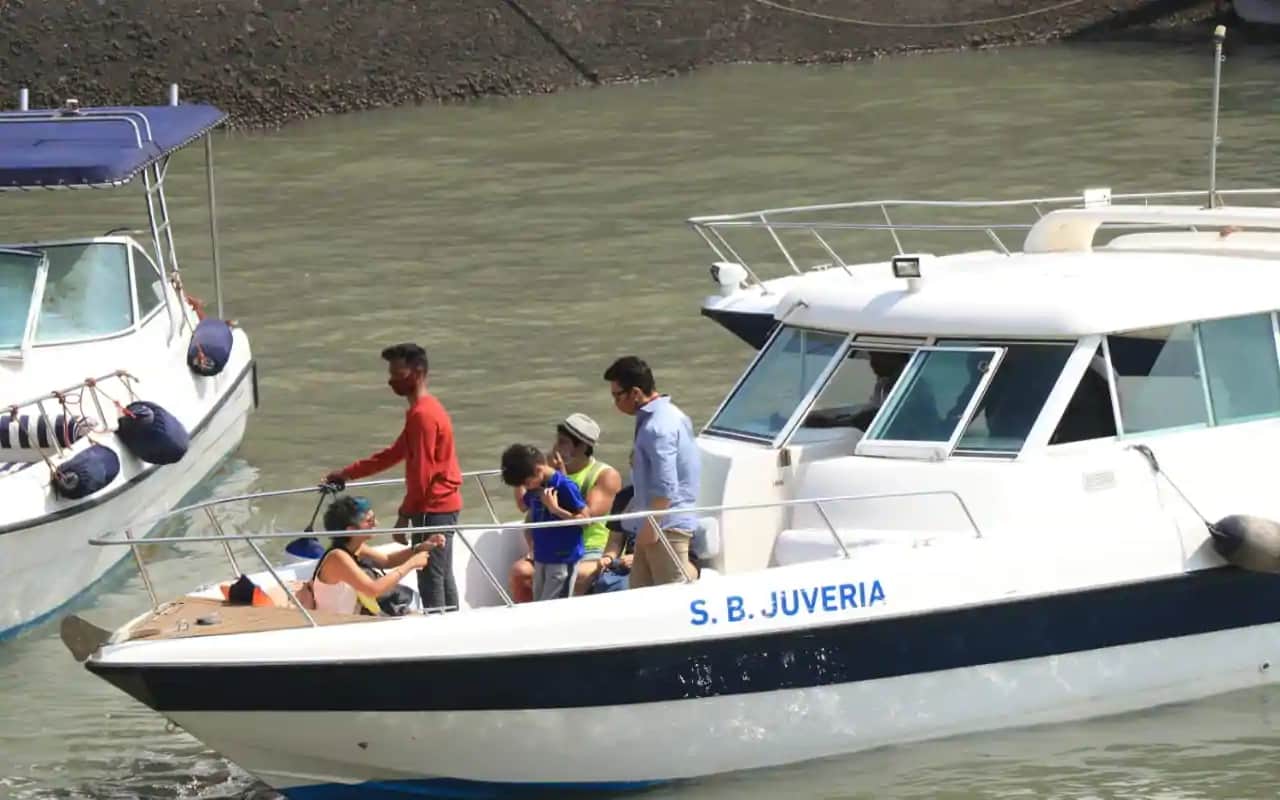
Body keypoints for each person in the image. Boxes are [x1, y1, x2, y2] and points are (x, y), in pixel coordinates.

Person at [324, 343, 463, 613]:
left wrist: (404, 516)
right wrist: (346, 473)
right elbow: (391, 455)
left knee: (430, 573)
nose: (391, 381)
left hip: (432, 505)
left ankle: (441, 632)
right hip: (442, 504)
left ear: (418, 372)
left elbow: (423, 474)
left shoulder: (423, 415)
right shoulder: (422, 411)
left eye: (398, 373)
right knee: (441, 572)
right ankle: (451, 620)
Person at [603, 356, 700, 587]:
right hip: (653, 524)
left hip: (664, 527)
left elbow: (666, 485)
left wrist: (651, 526)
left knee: (669, 600)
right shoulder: (667, 416)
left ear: (635, 393)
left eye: (617, 395)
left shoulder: (657, 427)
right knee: (640, 597)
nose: (615, 403)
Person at [508, 414, 622, 601]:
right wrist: (523, 473)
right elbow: (523, 505)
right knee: (520, 572)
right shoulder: (545, 474)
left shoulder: (604, 475)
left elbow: (588, 515)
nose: (555, 447)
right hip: (549, 545)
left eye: (562, 443)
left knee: (578, 576)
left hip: (588, 548)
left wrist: (560, 475)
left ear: (582, 447)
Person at [310, 495, 444, 615]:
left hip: (352, 618)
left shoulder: (354, 547)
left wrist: (420, 547)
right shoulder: (338, 558)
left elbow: (387, 561)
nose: (376, 524)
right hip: (336, 626)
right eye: (370, 521)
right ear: (351, 530)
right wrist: (411, 564)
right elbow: (373, 590)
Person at [500, 443, 589, 601]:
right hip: (542, 557)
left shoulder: (564, 487)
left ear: (538, 470)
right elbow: (523, 504)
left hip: (562, 559)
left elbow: (586, 520)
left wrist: (556, 510)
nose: (526, 487)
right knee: (539, 604)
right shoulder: (536, 486)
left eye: (525, 483)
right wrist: (518, 482)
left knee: (554, 609)